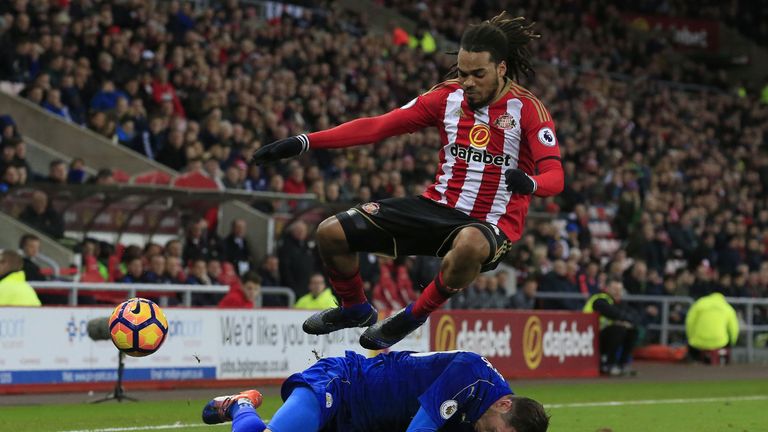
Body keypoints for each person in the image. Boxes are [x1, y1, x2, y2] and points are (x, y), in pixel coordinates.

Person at [251, 12, 563, 349]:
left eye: (478, 74)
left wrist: (530, 183)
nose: (468, 82)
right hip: (436, 206)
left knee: (470, 243)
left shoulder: (529, 110)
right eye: (462, 73)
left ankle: (412, 316)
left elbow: (555, 177)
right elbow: (378, 126)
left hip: (490, 225)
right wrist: (305, 141)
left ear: (501, 68)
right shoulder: (447, 97)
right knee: (331, 232)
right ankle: (354, 308)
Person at [202, 350, 549, 432]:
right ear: (504, 404)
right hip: (343, 384)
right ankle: (240, 404)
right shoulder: (471, 373)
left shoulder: (494, 410)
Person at [583, 279, 640, 376]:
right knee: (618, 329)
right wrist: (625, 321)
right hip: (589, 337)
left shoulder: (619, 302)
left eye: (620, 290)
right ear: (607, 288)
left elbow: (634, 316)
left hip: (604, 336)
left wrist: (628, 322)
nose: (618, 292)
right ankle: (610, 364)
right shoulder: (599, 299)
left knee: (633, 330)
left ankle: (623, 364)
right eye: (615, 289)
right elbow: (612, 313)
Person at [685, 287, 739, 364]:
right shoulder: (727, 307)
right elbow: (734, 329)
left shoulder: (700, 303)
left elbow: (689, 322)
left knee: (692, 349)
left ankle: (695, 362)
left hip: (698, 342)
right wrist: (732, 343)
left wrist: (691, 337)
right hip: (719, 343)